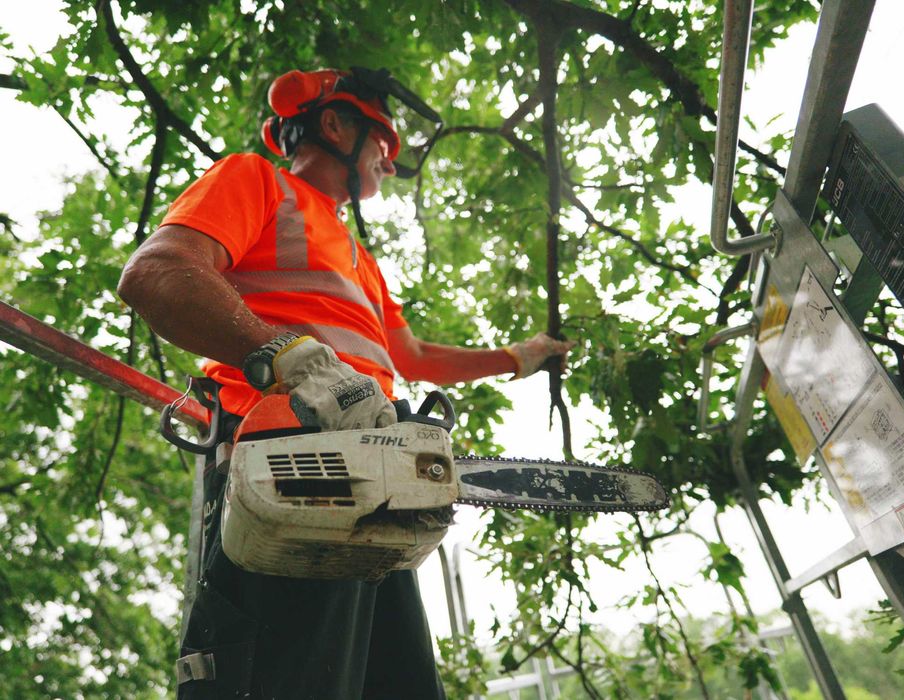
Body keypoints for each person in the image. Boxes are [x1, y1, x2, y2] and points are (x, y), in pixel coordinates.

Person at [118, 67, 573, 699]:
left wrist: (516, 357)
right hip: (285, 464)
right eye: (384, 143)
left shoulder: (361, 257)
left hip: (375, 477)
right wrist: (292, 358)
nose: (391, 161)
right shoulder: (257, 181)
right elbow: (156, 271)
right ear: (334, 125)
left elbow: (411, 355)